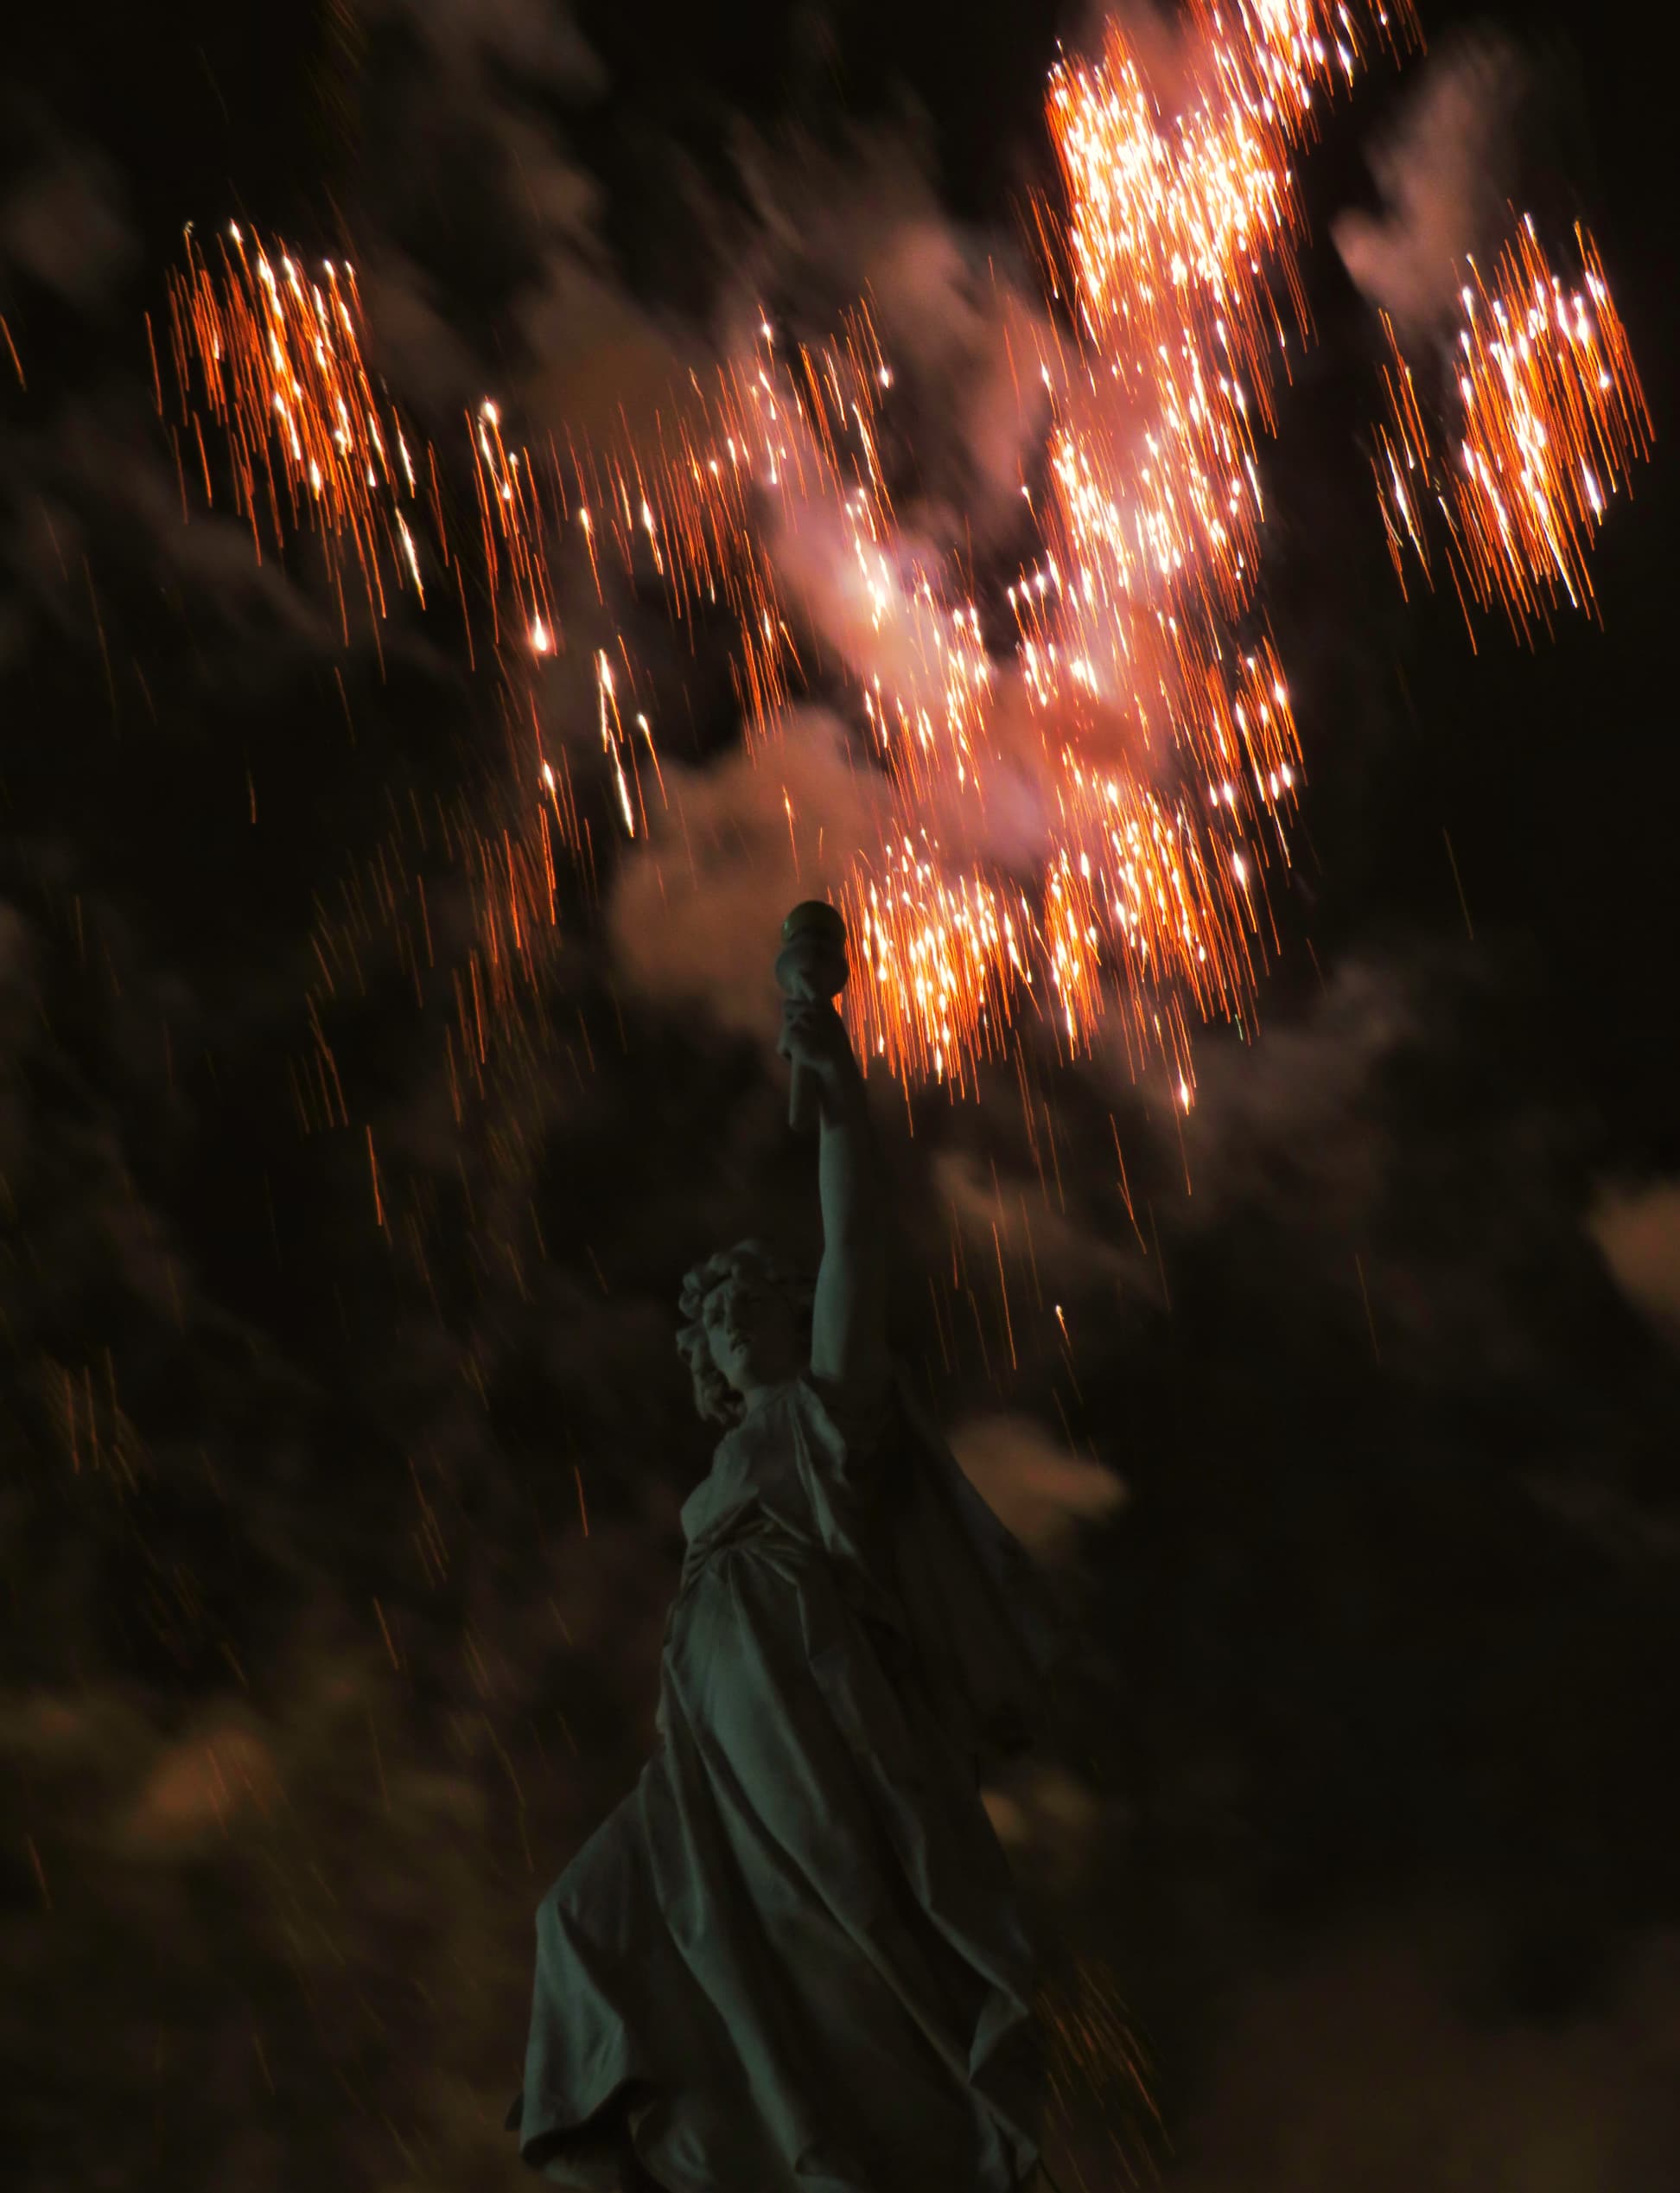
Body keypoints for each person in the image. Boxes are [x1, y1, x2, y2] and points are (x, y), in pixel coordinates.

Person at [507, 986, 1070, 2191]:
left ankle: (828, 2150)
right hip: (700, 1756)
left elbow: (856, 1250)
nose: (730, 1323)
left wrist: (839, 1107)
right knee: (580, 1921)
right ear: (702, 1361)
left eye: (751, 1302)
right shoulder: (714, 1485)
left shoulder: (822, 1420)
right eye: (713, 1319)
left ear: (789, 1317)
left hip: (806, 1716)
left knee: (826, 1953)